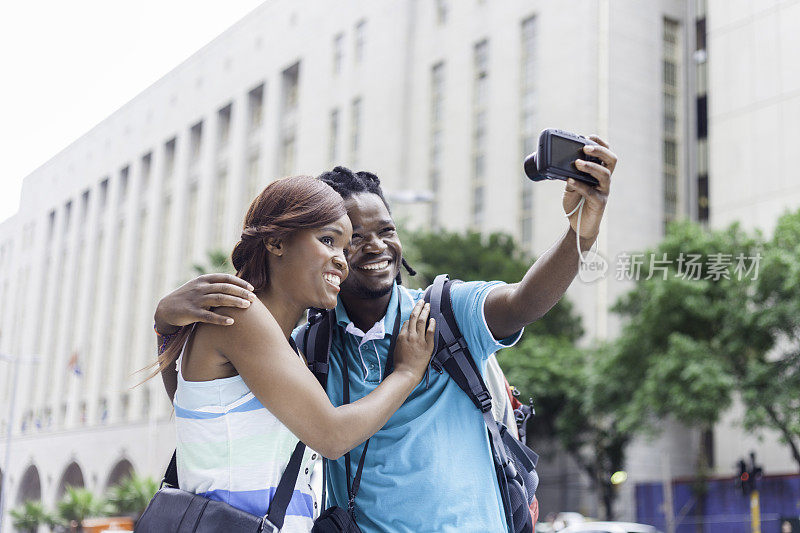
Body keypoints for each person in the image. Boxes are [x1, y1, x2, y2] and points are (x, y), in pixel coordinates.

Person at [155, 136, 616, 532]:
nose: (371, 246)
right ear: (279, 242)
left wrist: (579, 236)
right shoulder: (305, 346)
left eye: (387, 230)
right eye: (342, 238)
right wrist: (164, 324)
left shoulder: (444, 313)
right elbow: (209, 413)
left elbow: (523, 302)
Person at [151, 175, 435, 532]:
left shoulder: (288, 348)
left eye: (345, 248)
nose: (342, 260)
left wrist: (164, 327)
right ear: (276, 242)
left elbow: (197, 410)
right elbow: (333, 436)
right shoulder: (241, 313)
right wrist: (407, 373)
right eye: (328, 240)